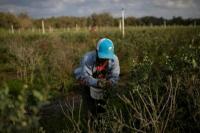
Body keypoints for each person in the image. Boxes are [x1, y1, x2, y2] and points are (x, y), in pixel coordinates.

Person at [74, 38, 120, 118]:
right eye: (102, 57)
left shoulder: (114, 60)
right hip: (85, 81)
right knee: (90, 109)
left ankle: (102, 120)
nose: (104, 60)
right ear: (96, 51)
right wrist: (98, 82)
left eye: (107, 58)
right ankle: (90, 121)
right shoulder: (87, 58)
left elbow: (115, 77)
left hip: (104, 81)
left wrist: (110, 83)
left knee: (104, 107)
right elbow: (86, 78)